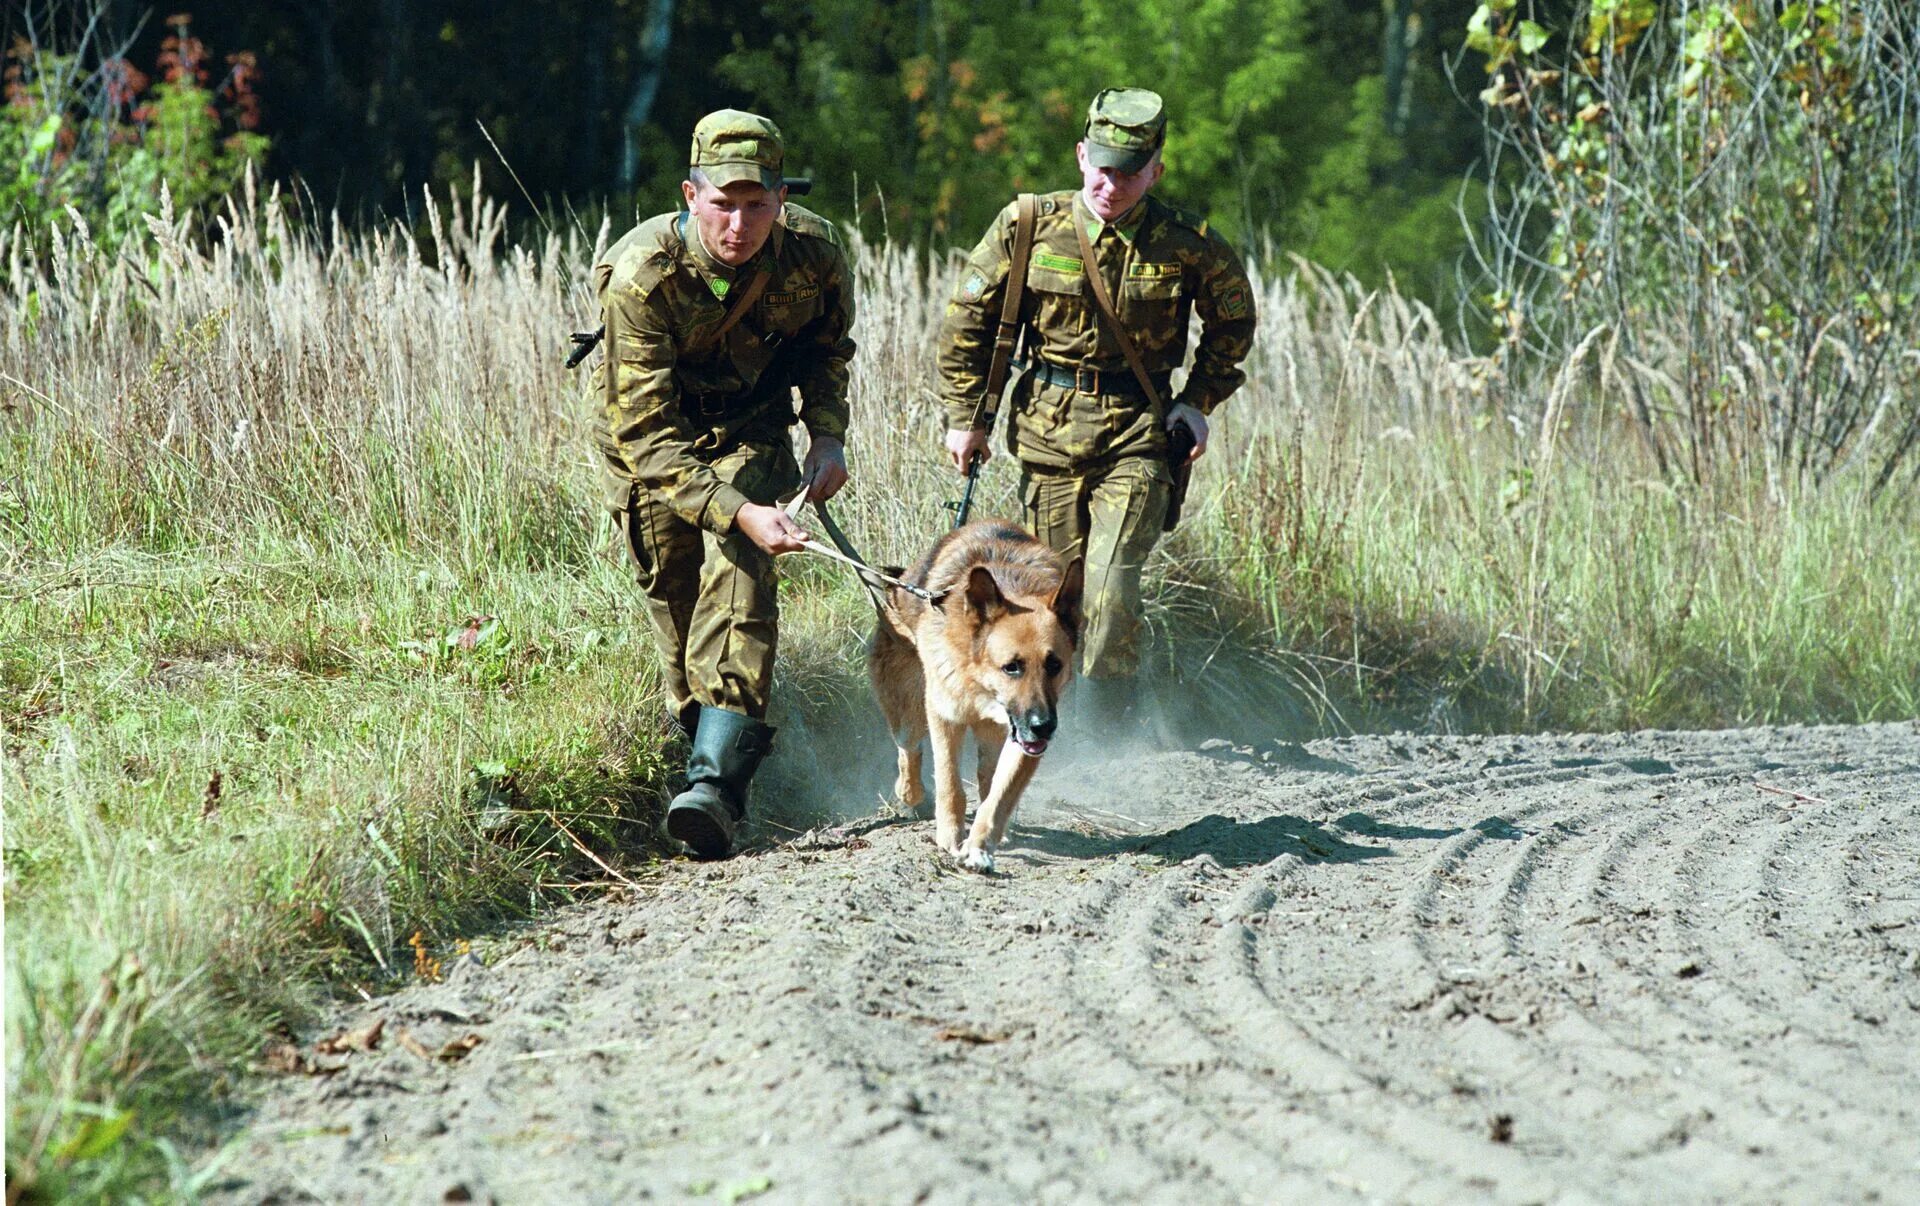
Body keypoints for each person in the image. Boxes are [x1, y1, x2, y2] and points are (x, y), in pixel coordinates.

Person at [935, 87, 1256, 727]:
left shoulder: (1186, 243)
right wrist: (966, 416)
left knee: (1108, 588)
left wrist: (1198, 401)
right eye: (1102, 168)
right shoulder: (1027, 225)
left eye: (1129, 173)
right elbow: (967, 322)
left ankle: (1112, 732)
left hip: (1137, 436)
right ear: (1082, 156)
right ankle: (1049, 722)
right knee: (1053, 604)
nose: (1112, 185)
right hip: (1047, 436)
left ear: (1155, 171)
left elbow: (1234, 322)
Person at [588, 109, 854, 858]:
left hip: (752, 428)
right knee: (673, 590)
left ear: (780, 199)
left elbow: (828, 352)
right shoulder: (642, 275)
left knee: (738, 575)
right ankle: (699, 742)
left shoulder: (815, 255)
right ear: (690, 195)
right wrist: (736, 511)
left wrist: (826, 435)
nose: (739, 224)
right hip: (653, 439)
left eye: (757, 205)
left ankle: (716, 793)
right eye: (722, 204)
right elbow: (644, 431)